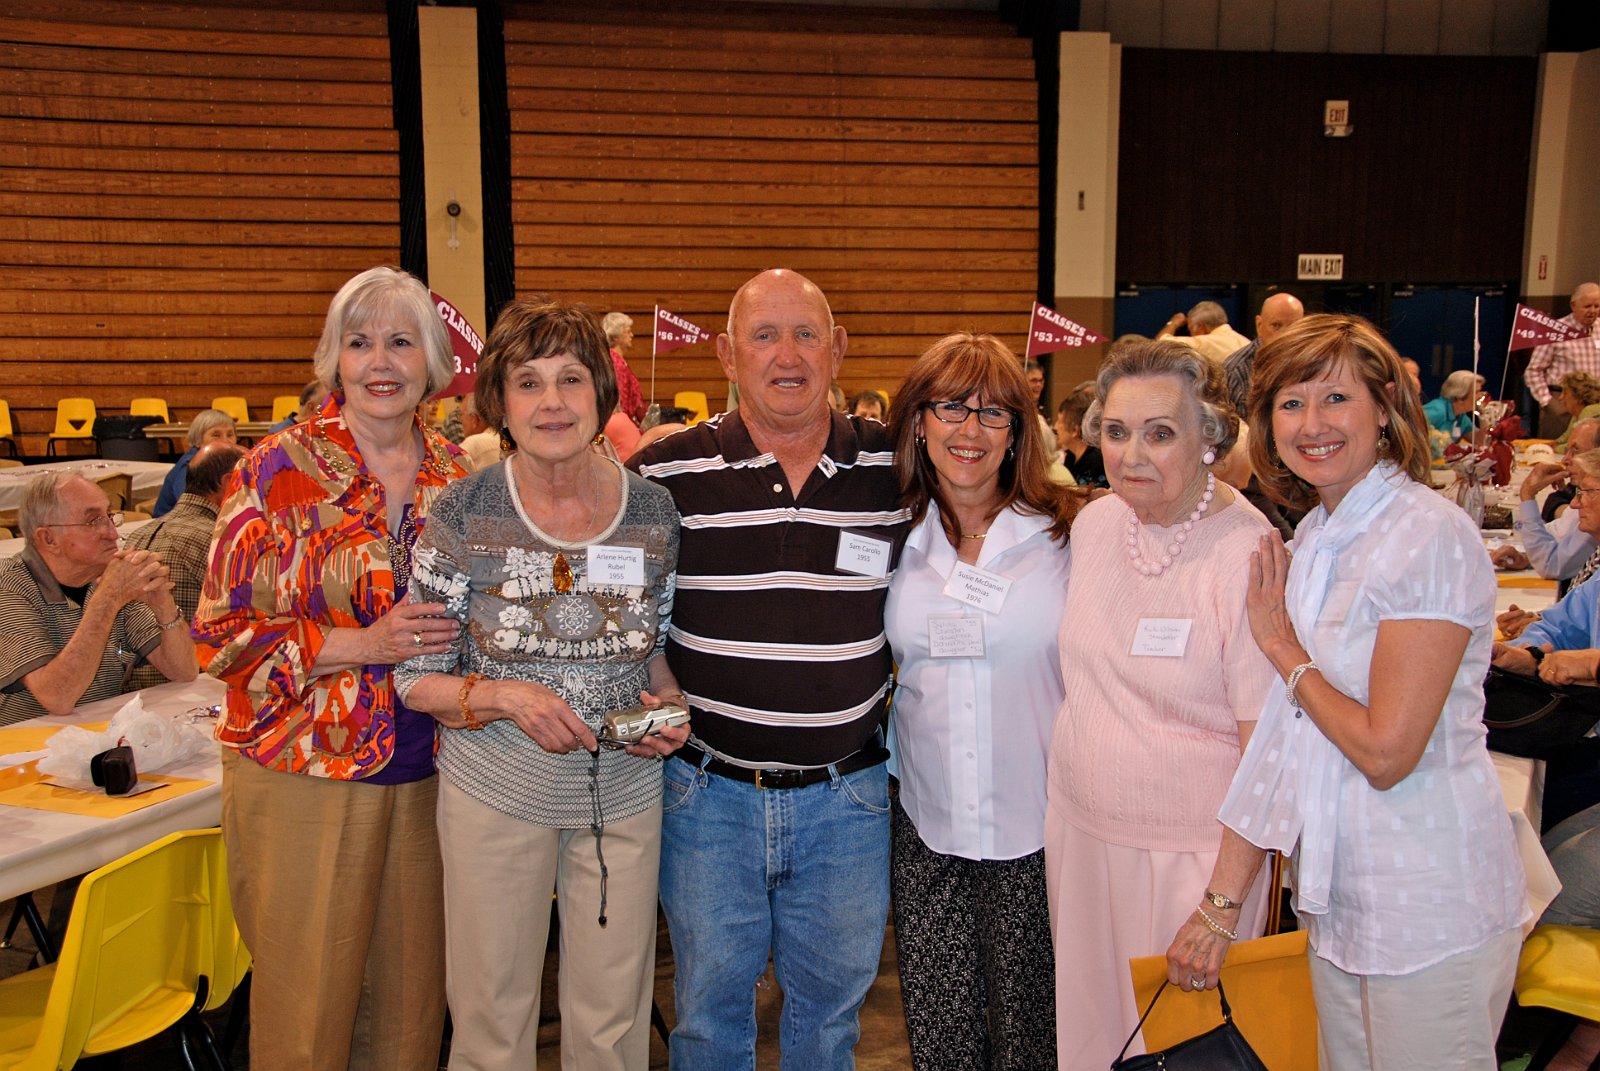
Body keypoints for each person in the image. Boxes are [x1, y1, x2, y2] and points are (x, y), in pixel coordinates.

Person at [1179, 314, 1527, 1071]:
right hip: (1341, 901)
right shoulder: (1316, 540)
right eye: (1291, 404)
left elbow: (1386, 750)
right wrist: (1221, 903)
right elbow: (1282, 739)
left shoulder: (1425, 535)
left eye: (1335, 398)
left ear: (1385, 409)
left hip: (1431, 901)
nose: (1313, 424)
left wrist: (1281, 647)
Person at [393, 298, 685, 1070]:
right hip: (495, 789)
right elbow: (416, 675)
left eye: (570, 378)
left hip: (620, 789)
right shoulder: (462, 509)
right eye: (528, 382)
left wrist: (671, 707)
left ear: (601, 394)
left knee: (614, 1019)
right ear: (499, 401)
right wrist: (506, 696)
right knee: (492, 1014)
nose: (551, 401)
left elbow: (652, 651)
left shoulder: (653, 511)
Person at [631, 268, 910, 1068]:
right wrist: (658, 703)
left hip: (847, 800)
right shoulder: (663, 474)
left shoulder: (898, 472)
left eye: (805, 334)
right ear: (726, 354)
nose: (786, 355)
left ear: (839, 348)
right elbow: (627, 623)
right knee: (710, 1019)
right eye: (763, 335)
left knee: (830, 1021)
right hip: (707, 796)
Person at [193, 266, 470, 1070]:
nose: (380, 361)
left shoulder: (461, 477)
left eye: (400, 340)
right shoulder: (273, 471)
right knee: (307, 1012)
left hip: (434, 775)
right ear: (334, 359)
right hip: (302, 775)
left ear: (432, 360)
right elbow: (222, 634)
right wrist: (362, 644)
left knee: (412, 1013)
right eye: (359, 343)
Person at [1045, 338, 1275, 1069]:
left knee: (1184, 1050)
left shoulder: (1248, 552)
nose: (1131, 453)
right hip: (1082, 839)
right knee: (1092, 1041)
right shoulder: (1094, 526)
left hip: (1193, 863)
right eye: (1115, 431)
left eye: (1160, 432)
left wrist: (1221, 904)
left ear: (1210, 438)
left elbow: (1269, 751)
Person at [885, 333, 1082, 1069]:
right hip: (926, 830)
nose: (970, 431)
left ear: (1019, 432)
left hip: (1040, 835)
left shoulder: (1070, 534)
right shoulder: (898, 537)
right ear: (918, 422)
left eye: (993, 413)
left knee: (1037, 1045)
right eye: (951, 408)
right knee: (943, 1044)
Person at [0, 472, 197, 725]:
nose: (113, 533)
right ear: (48, 539)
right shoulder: (9, 588)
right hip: (21, 750)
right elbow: (58, 698)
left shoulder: (105, 577)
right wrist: (108, 600)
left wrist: (162, 603)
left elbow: (184, 671)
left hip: (98, 736)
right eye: (93, 521)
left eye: (110, 516)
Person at [125, 442, 246, 689]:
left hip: (128, 690)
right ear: (228, 483)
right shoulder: (223, 540)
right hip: (195, 686)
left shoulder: (136, 536)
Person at [1491, 418, 1600, 590]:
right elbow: (1556, 536)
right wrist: (1527, 557)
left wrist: (1528, 495)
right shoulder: (1586, 500)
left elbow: (1552, 565)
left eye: (1576, 450)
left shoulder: (1595, 511)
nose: (1565, 459)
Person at [1527, 281, 1600, 438]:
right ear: (1573, 305)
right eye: (1587, 306)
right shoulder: (1556, 330)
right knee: (1556, 450)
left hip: (1596, 403)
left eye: (1597, 306)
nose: (1592, 311)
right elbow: (1533, 371)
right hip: (1562, 402)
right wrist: (1547, 402)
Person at [1223, 292, 1306, 413]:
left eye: (1294, 326)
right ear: (1259, 325)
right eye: (1276, 325)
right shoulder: (1236, 370)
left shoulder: (1313, 362)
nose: (1285, 334)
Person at [152, 408, 237, 516]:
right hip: (172, 527)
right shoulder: (189, 466)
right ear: (198, 440)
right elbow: (190, 507)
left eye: (230, 435)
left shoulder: (225, 462)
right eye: (216, 435)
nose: (226, 441)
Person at [1157, 299, 1249, 364]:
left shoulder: (1205, 342)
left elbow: (1161, 343)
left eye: (1190, 329)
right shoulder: (1246, 342)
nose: (1191, 334)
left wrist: (1173, 323)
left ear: (1200, 327)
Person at [603, 310, 648, 425]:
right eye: (628, 332)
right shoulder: (616, 363)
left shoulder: (616, 360)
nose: (632, 335)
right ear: (616, 336)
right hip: (621, 423)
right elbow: (620, 400)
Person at [1053, 393, 1105, 487]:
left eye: (1059, 421)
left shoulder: (1096, 461)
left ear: (1075, 431)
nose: (1055, 427)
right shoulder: (1070, 456)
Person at [1422, 369, 1483, 439]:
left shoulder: (1460, 416)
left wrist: (1485, 416)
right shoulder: (1437, 411)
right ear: (1460, 396)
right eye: (1477, 392)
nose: (1480, 396)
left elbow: (1479, 441)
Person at [1552, 371, 1600, 448]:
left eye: (1565, 393)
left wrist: (1552, 448)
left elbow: (1576, 446)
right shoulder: (1577, 414)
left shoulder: (1590, 410)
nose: (1560, 398)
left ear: (1578, 396)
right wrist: (1552, 444)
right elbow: (1564, 438)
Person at [459, 392, 503, 470]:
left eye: (461, 414)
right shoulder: (502, 437)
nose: (460, 420)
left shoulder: (473, 442)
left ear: (475, 419)